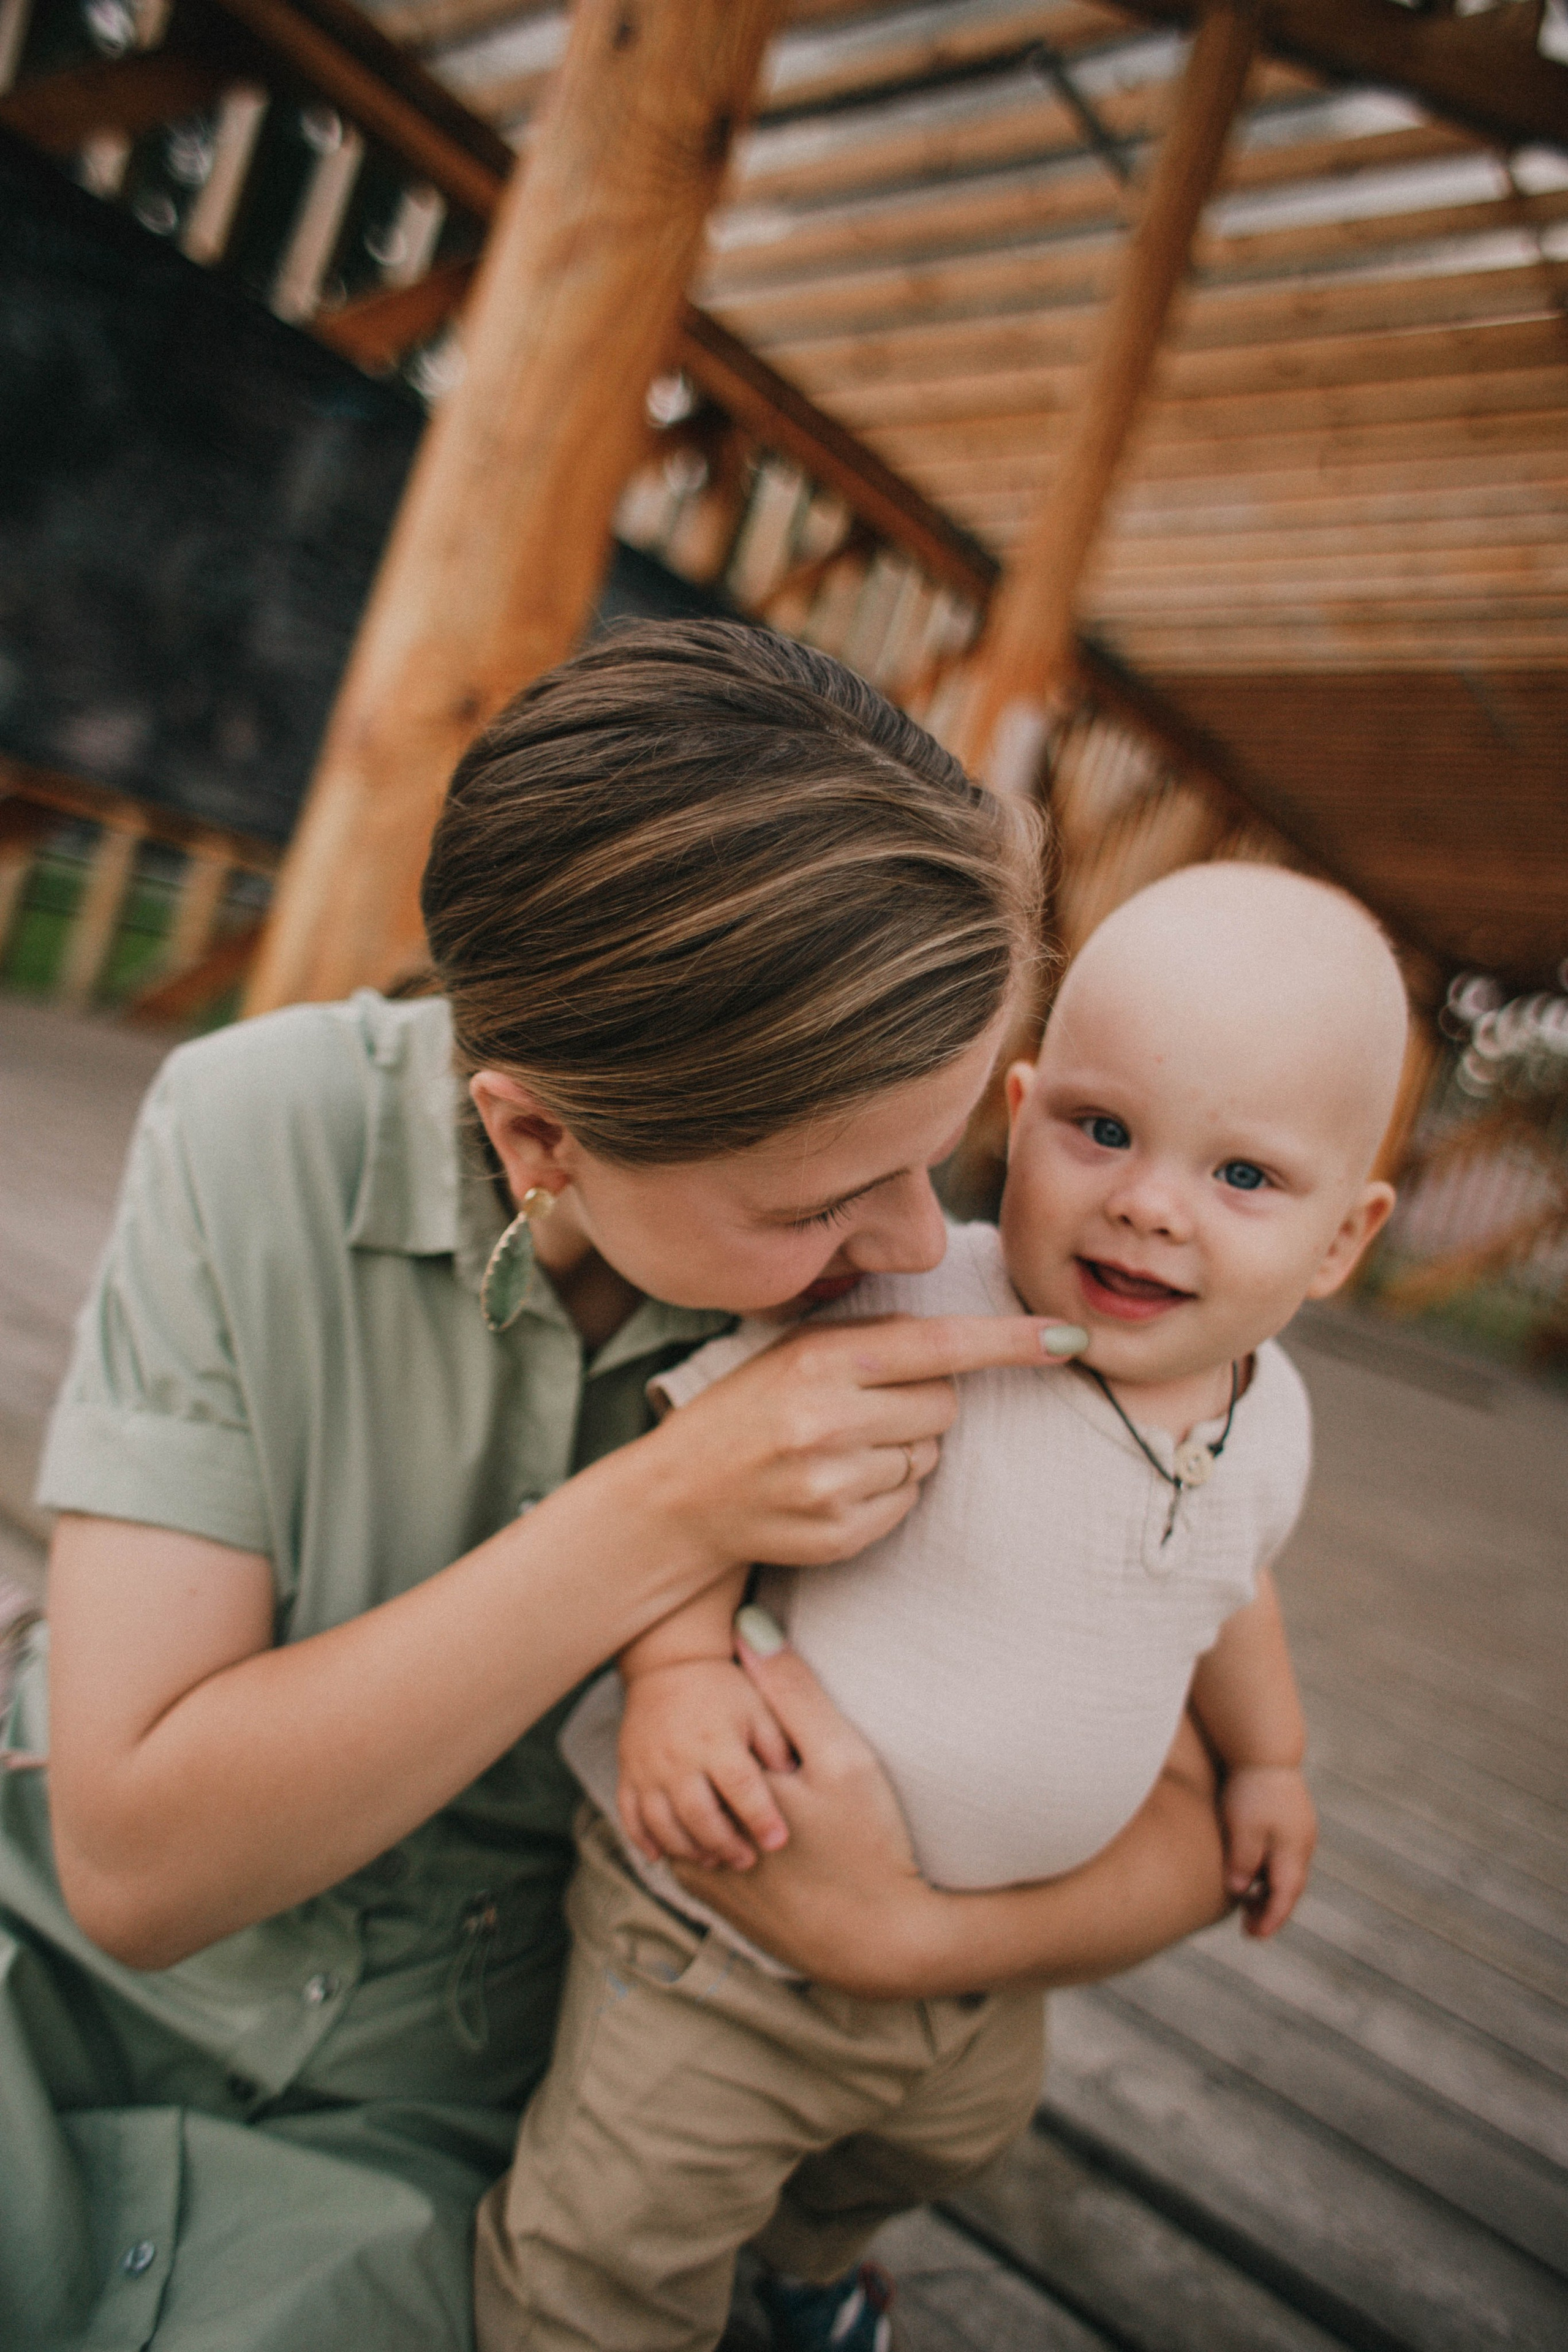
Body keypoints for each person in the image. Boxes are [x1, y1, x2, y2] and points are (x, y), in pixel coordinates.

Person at [0, 622, 1232, 2352]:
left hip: (491, 2123)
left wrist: (893, 1934)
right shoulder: (250, 1131)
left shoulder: (971, 1296)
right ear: (537, 1145)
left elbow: (1212, 1809)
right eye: (820, 1201)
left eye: (936, 1157)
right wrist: (670, 1512)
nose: (910, 1241)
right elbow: (133, 1868)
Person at [475, 861, 1409, 2352]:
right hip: (723, 1935)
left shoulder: (1268, 1419)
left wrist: (1271, 1760)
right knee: (620, 2230)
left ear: (1341, 1240)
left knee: (939, 2144)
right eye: (1099, 1132)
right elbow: (703, 1480)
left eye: (1241, 1177)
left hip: (983, 1968)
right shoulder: (917, 1311)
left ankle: (799, 2268)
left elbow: (1233, 1593)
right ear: (1019, 1113)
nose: (1149, 1205)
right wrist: (676, 1678)